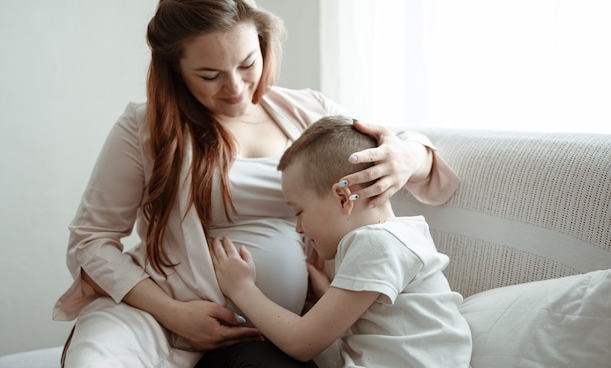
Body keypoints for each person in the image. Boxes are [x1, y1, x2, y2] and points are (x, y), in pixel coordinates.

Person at [52, 0, 460, 367]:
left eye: (248, 64)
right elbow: (91, 241)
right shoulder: (143, 128)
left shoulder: (309, 111)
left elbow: (417, 171)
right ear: (175, 70)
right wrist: (174, 314)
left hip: (273, 330)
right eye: (209, 74)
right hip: (162, 312)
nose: (235, 87)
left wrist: (407, 155)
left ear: (264, 48)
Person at [207, 115, 472, 368]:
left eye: (299, 211)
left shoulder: (377, 244)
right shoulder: (395, 238)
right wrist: (330, 296)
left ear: (344, 198)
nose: (298, 227)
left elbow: (301, 343)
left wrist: (241, 288)